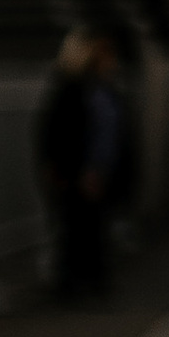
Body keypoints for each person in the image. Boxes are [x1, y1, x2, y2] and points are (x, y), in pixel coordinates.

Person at [34, 28, 126, 300]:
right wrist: (70, 170)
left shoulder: (103, 90)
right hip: (78, 174)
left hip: (98, 172)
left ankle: (89, 283)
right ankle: (76, 284)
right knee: (78, 230)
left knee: (92, 230)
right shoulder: (74, 91)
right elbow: (60, 134)